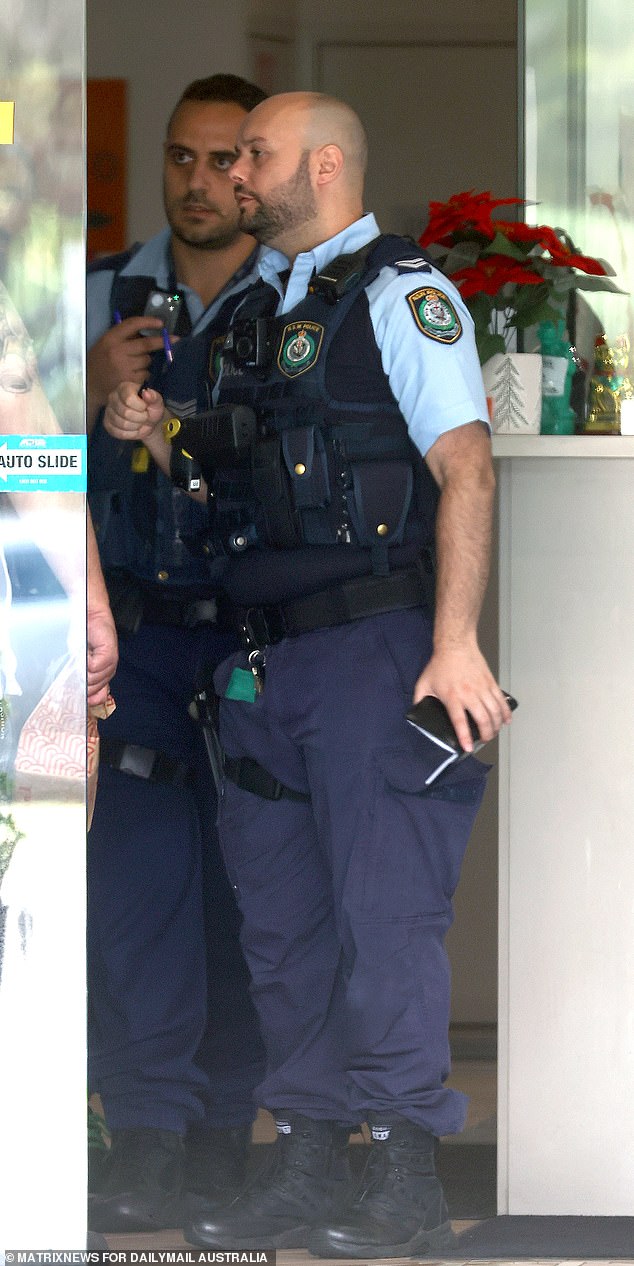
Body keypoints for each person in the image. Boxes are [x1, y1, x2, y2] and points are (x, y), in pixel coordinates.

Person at [103, 91, 513, 1257]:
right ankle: (314, 1158)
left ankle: (402, 1173)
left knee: (379, 918)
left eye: (256, 154)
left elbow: (465, 468)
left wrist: (455, 641)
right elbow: (222, 461)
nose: (235, 171)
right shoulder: (252, 315)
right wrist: (147, 426)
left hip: (375, 649)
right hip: (258, 667)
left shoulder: (402, 293)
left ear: (322, 166)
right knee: (280, 927)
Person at [85, 75, 268, 1235]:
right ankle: (146, 1136)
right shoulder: (97, 295)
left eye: (221, 160)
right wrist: (92, 391)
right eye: (179, 159)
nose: (198, 182)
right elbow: (23, 468)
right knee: (134, 896)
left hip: (258, 639)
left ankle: (225, 1143)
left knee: (254, 901)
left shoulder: (304, 300)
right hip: (132, 637)